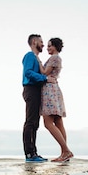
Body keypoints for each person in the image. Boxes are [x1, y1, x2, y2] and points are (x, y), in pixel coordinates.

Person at [38, 38, 73, 162]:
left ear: (56, 46)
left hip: (49, 90)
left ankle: (66, 151)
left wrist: (38, 61)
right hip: (54, 89)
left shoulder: (54, 58)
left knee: (48, 123)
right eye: (47, 46)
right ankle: (64, 153)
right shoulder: (56, 58)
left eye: (49, 46)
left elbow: (44, 72)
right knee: (58, 122)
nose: (47, 48)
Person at [22, 34, 51, 163]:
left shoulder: (36, 58)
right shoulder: (29, 56)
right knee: (30, 122)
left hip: (36, 91)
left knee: (35, 123)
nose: (43, 45)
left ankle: (34, 153)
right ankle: (29, 154)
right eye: (41, 42)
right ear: (34, 42)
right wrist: (44, 78)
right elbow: (28, 72)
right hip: (31, 89)